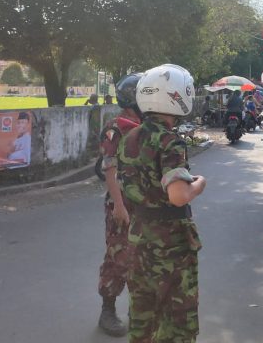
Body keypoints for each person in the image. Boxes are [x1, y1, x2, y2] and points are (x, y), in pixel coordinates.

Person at [117, 64, 206, 343]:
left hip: (139, 236)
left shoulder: (128, 138)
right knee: (178, 322)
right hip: (171, 245)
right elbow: (178, 195)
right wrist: (199, 183)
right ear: (177, 96)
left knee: (142, 317)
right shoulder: (169, 142)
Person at [96, 73, 143, 337]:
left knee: (141, 258)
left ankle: (137, 310)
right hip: (122, 204)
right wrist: (118, 205)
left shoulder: (144, 124)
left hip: (142, 205)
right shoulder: (118, 126)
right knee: (118, 257)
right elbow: (109, 169)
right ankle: (107, 310)